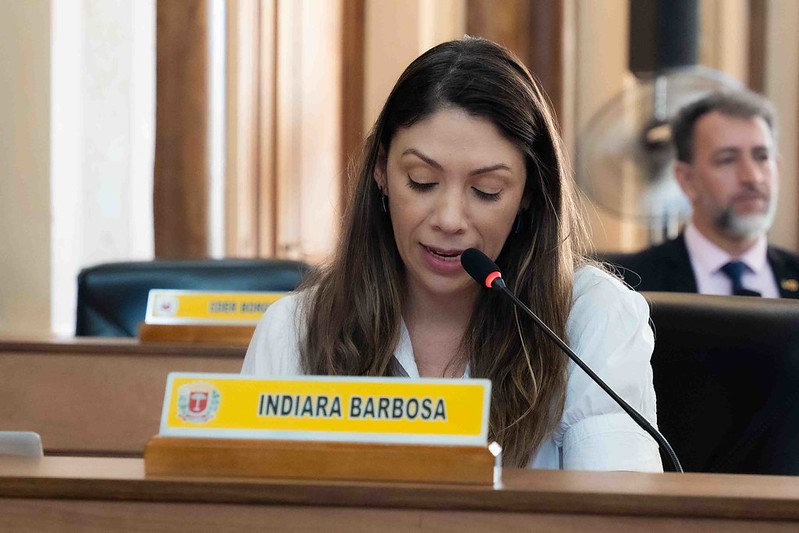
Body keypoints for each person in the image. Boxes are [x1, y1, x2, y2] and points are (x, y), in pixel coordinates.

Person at [243, 37, 661, 471]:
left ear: (528, 196)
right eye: (422, 181)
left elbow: (616, 507)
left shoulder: (590, 316)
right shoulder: (293, 331)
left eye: (487, 191)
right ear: (381, 172)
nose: (449, 218)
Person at [613, 90, 799, 298]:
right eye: (727, 159)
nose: (752, 177)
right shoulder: (629, 284)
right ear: (687, 180)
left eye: (762, 157)